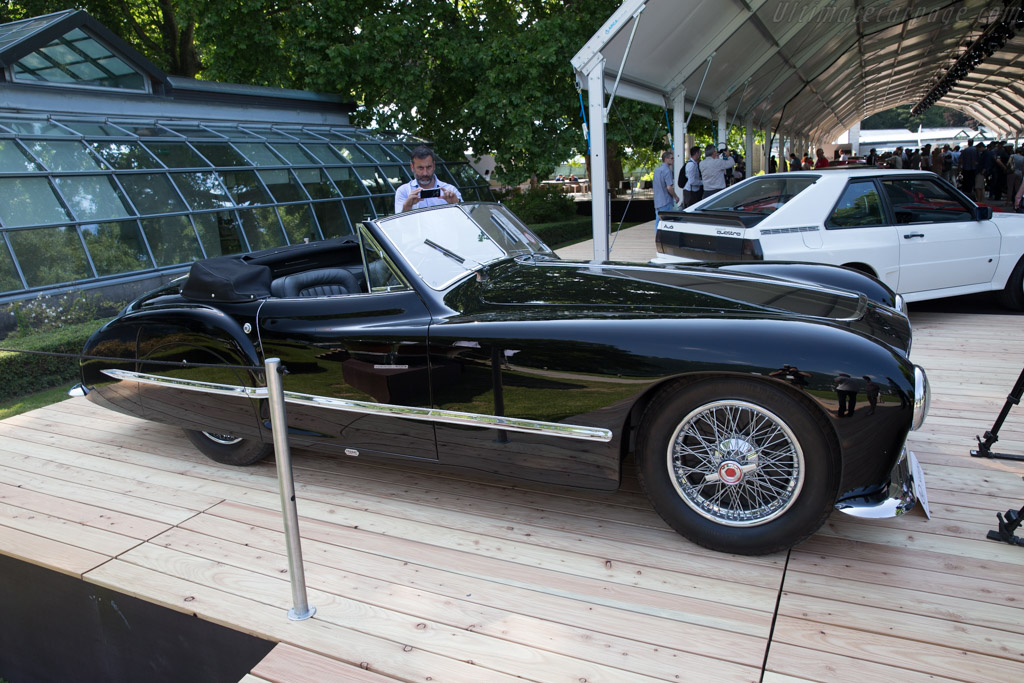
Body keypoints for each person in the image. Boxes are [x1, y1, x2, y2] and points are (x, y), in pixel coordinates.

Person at [395, 145, 462, 213]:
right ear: (412, 167)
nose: (425, 173)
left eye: (429, 167)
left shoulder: (450, 190)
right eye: (420, 168)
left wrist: (456, 204)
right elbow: (398, 222)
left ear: (434, 165)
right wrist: (407, 207)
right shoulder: (403, 191)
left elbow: (467, 220)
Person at [652, 150, 679, 224]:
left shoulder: (657, 171)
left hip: (657, 202)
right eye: (672, 158)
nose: (673, 160)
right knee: (667, 223)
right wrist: (675, 197)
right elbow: (669, 187)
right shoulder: (667, 171)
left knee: (658, 223)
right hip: (666, 201)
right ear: (666, 159)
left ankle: (657, 235)